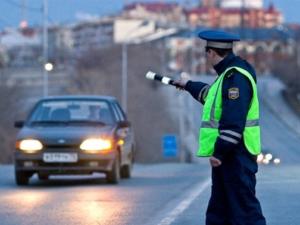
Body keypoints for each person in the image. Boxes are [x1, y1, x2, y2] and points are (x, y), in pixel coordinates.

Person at [174, 30, 266, 225]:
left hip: (236, 155)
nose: (206, 57)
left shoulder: (236, 78)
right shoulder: (228, 75)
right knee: (220, 211)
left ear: (211, 53)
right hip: (230, 157)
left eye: (205, 53)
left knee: (244, 212)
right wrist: (188, 85)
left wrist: (220, 152)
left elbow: (234, 121)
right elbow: (210, 96)